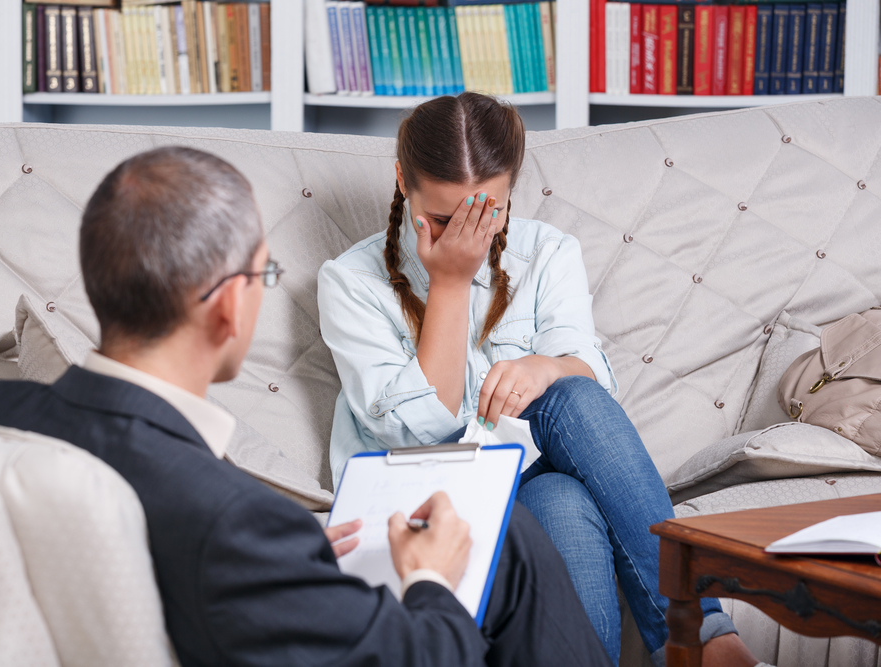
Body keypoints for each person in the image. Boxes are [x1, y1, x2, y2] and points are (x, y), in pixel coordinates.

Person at [0, 146, 613, 667]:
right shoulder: (235, 522)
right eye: (262, 274)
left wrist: (283, 563)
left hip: (228, 596)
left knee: (517, 536)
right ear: (230, 303)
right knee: (511, 540)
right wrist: (429, 577)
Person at [318, 93, 760, 667]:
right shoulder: (351, 282)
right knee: (561, 446)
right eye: (449, 220)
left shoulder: (545, 251)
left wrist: (545, 366)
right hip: (424, 498)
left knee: (565, 479)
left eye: (489, 212)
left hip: (532, 477)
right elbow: (415, 435)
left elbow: (591, 380)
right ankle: (705, 642)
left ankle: (701, 641)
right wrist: (449, 283)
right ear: (403, 179)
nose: (469, 236)